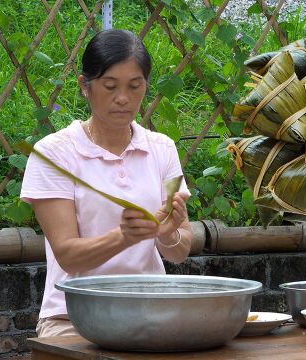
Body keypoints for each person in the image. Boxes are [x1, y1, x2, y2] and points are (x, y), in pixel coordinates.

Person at [20, 29, 192, 338]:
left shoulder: (163, 148)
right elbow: (68, 255)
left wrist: (166, 235)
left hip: (151, 311)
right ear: (84, 87)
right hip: (73, 318)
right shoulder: (52, 153)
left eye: (135, 86)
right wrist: (124, 237)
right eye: (110, 86)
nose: (123, 98)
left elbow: (180, 249)